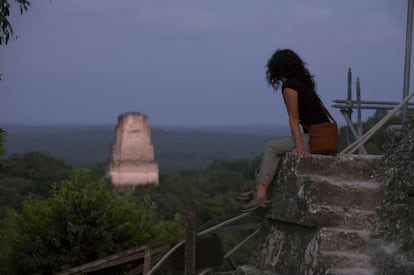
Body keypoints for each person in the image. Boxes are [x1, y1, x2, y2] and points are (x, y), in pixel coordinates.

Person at [237, 49, 331, 212]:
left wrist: (300, 148)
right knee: (281, 148)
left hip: (315, 140)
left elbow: (293, 119)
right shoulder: (304, 84)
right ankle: (258, 187)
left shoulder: (289, 86)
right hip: (326, 137)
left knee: (273, 147)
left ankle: (260, 193)